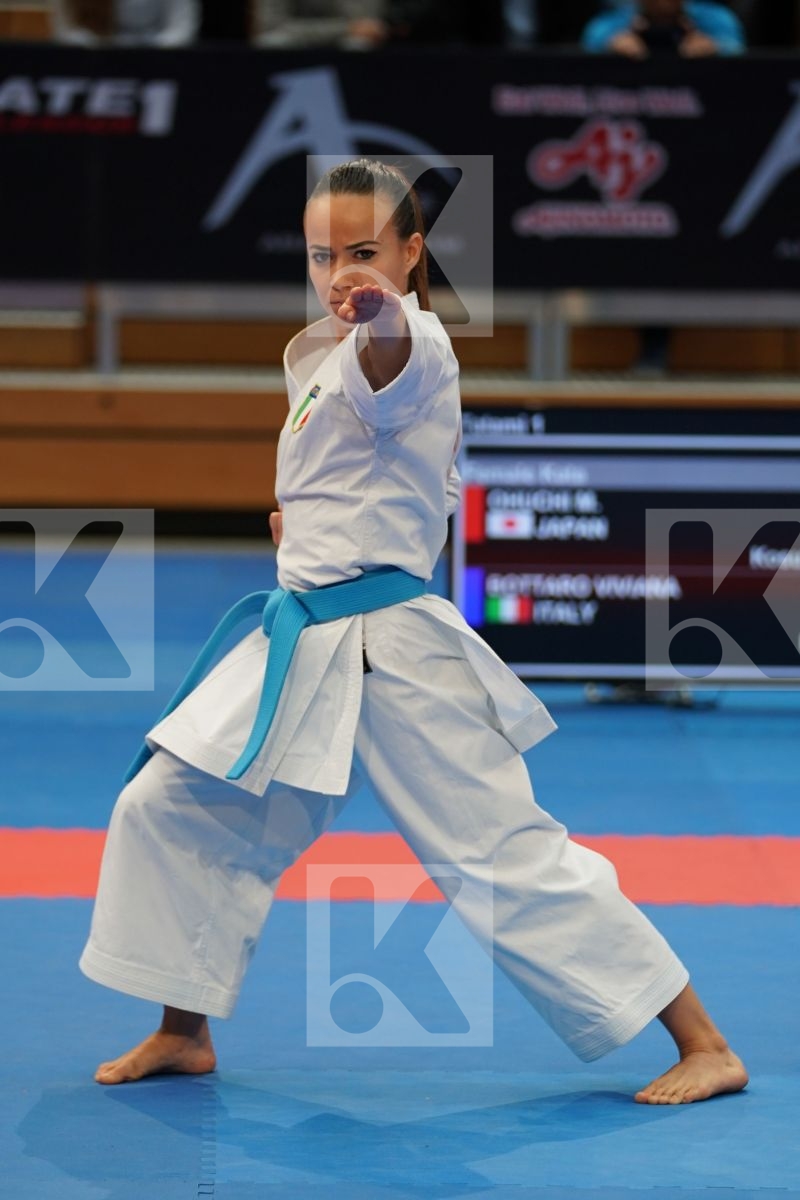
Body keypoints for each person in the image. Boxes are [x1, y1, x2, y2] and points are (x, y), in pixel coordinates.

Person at [80, 159, 748, 1105]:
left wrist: (382, 313)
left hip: (391, 650)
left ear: (411, 251)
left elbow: (391, 358)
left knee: (502, 852)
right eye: (324, 255)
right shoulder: (315, 354)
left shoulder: (414, 339)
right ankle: (182, 1030)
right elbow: (370, 482)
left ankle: (705, 1042)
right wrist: (299, 528)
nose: (342, 273)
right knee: (171, 806)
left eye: (364, 253)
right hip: (303, 640)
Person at [582, 0, 746, 57]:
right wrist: (610, 44)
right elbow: (589, 43)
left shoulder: (716, 17)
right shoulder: (614, 20)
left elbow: (738, 47)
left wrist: (716, 47)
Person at [51, 0, 200, 45]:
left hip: (157, 63)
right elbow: (66, 31)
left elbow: (182, 28)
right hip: (93, 66)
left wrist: (147, 50)